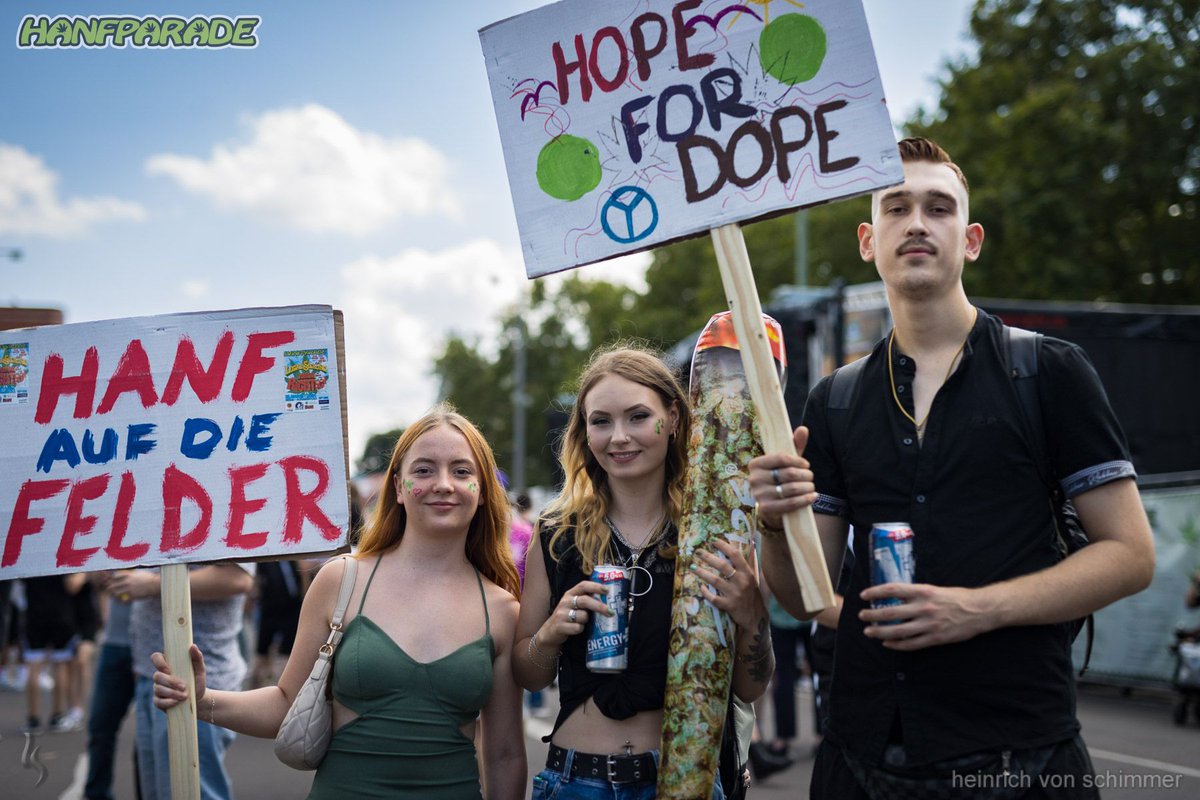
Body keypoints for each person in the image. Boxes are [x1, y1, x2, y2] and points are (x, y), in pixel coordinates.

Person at [750, 137, 1155, 798]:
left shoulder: (1048, 372)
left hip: (1019, 757)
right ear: (867, 241)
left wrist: (976, 609)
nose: (916, 222)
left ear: (970, 240)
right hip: (861, 757)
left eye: (938, 208)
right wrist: (774, 524)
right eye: (897, 207)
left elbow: (1132, 555)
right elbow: (806, 599)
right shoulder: (834, 400)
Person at [151, 404, 527, 799]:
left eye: (462, 471)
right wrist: (201, 700)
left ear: (482, 492)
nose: (444, 484)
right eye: (424, 470)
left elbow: (505, 754)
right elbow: (285, 704)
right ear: (399, 488)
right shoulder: (341, 579)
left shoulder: (502, 611)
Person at [514, 345, 774, 799]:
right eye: (601, 421)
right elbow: (528, 675)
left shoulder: (715, 529)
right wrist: (551, 632)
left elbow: (749, 687)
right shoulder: (557, 533)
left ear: (672, 418)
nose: (619, 437)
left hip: (684, 781)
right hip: (576, 782)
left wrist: (753, 617)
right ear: (584, 432)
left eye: (637, 417)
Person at [112, 562, 255, 800]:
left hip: (198, 681)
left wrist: (151, 584)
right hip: (154, 677)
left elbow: (238, 578)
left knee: (193, 792)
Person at [85, 574, 138, 800]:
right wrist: (99, 577)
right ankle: (96, 793)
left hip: (154, 645)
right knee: (100, 725)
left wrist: (147, 584)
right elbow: (99, 583)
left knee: (148, 740)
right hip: (114, 644)